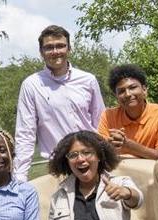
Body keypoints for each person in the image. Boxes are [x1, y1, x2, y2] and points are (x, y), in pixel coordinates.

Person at [13, 25, 106, 181]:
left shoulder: (88, 80)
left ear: (69, 48)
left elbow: (101, 122)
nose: (55, 51)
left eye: (60, 46)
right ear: (41, 52)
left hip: (91, 163)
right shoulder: (31, 85)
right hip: (58, 167)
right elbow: (25, 133)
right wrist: (20, 177)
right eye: (49, 47)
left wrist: (105, 159)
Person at [98, 64, 158, 164]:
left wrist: (129, 146)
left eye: (132, 87)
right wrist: (109, 146)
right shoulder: (108, 116)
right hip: (122, 174)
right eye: (121, 91)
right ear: (116, 96)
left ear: (144, 90)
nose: (128, 94)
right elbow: (101, 152)